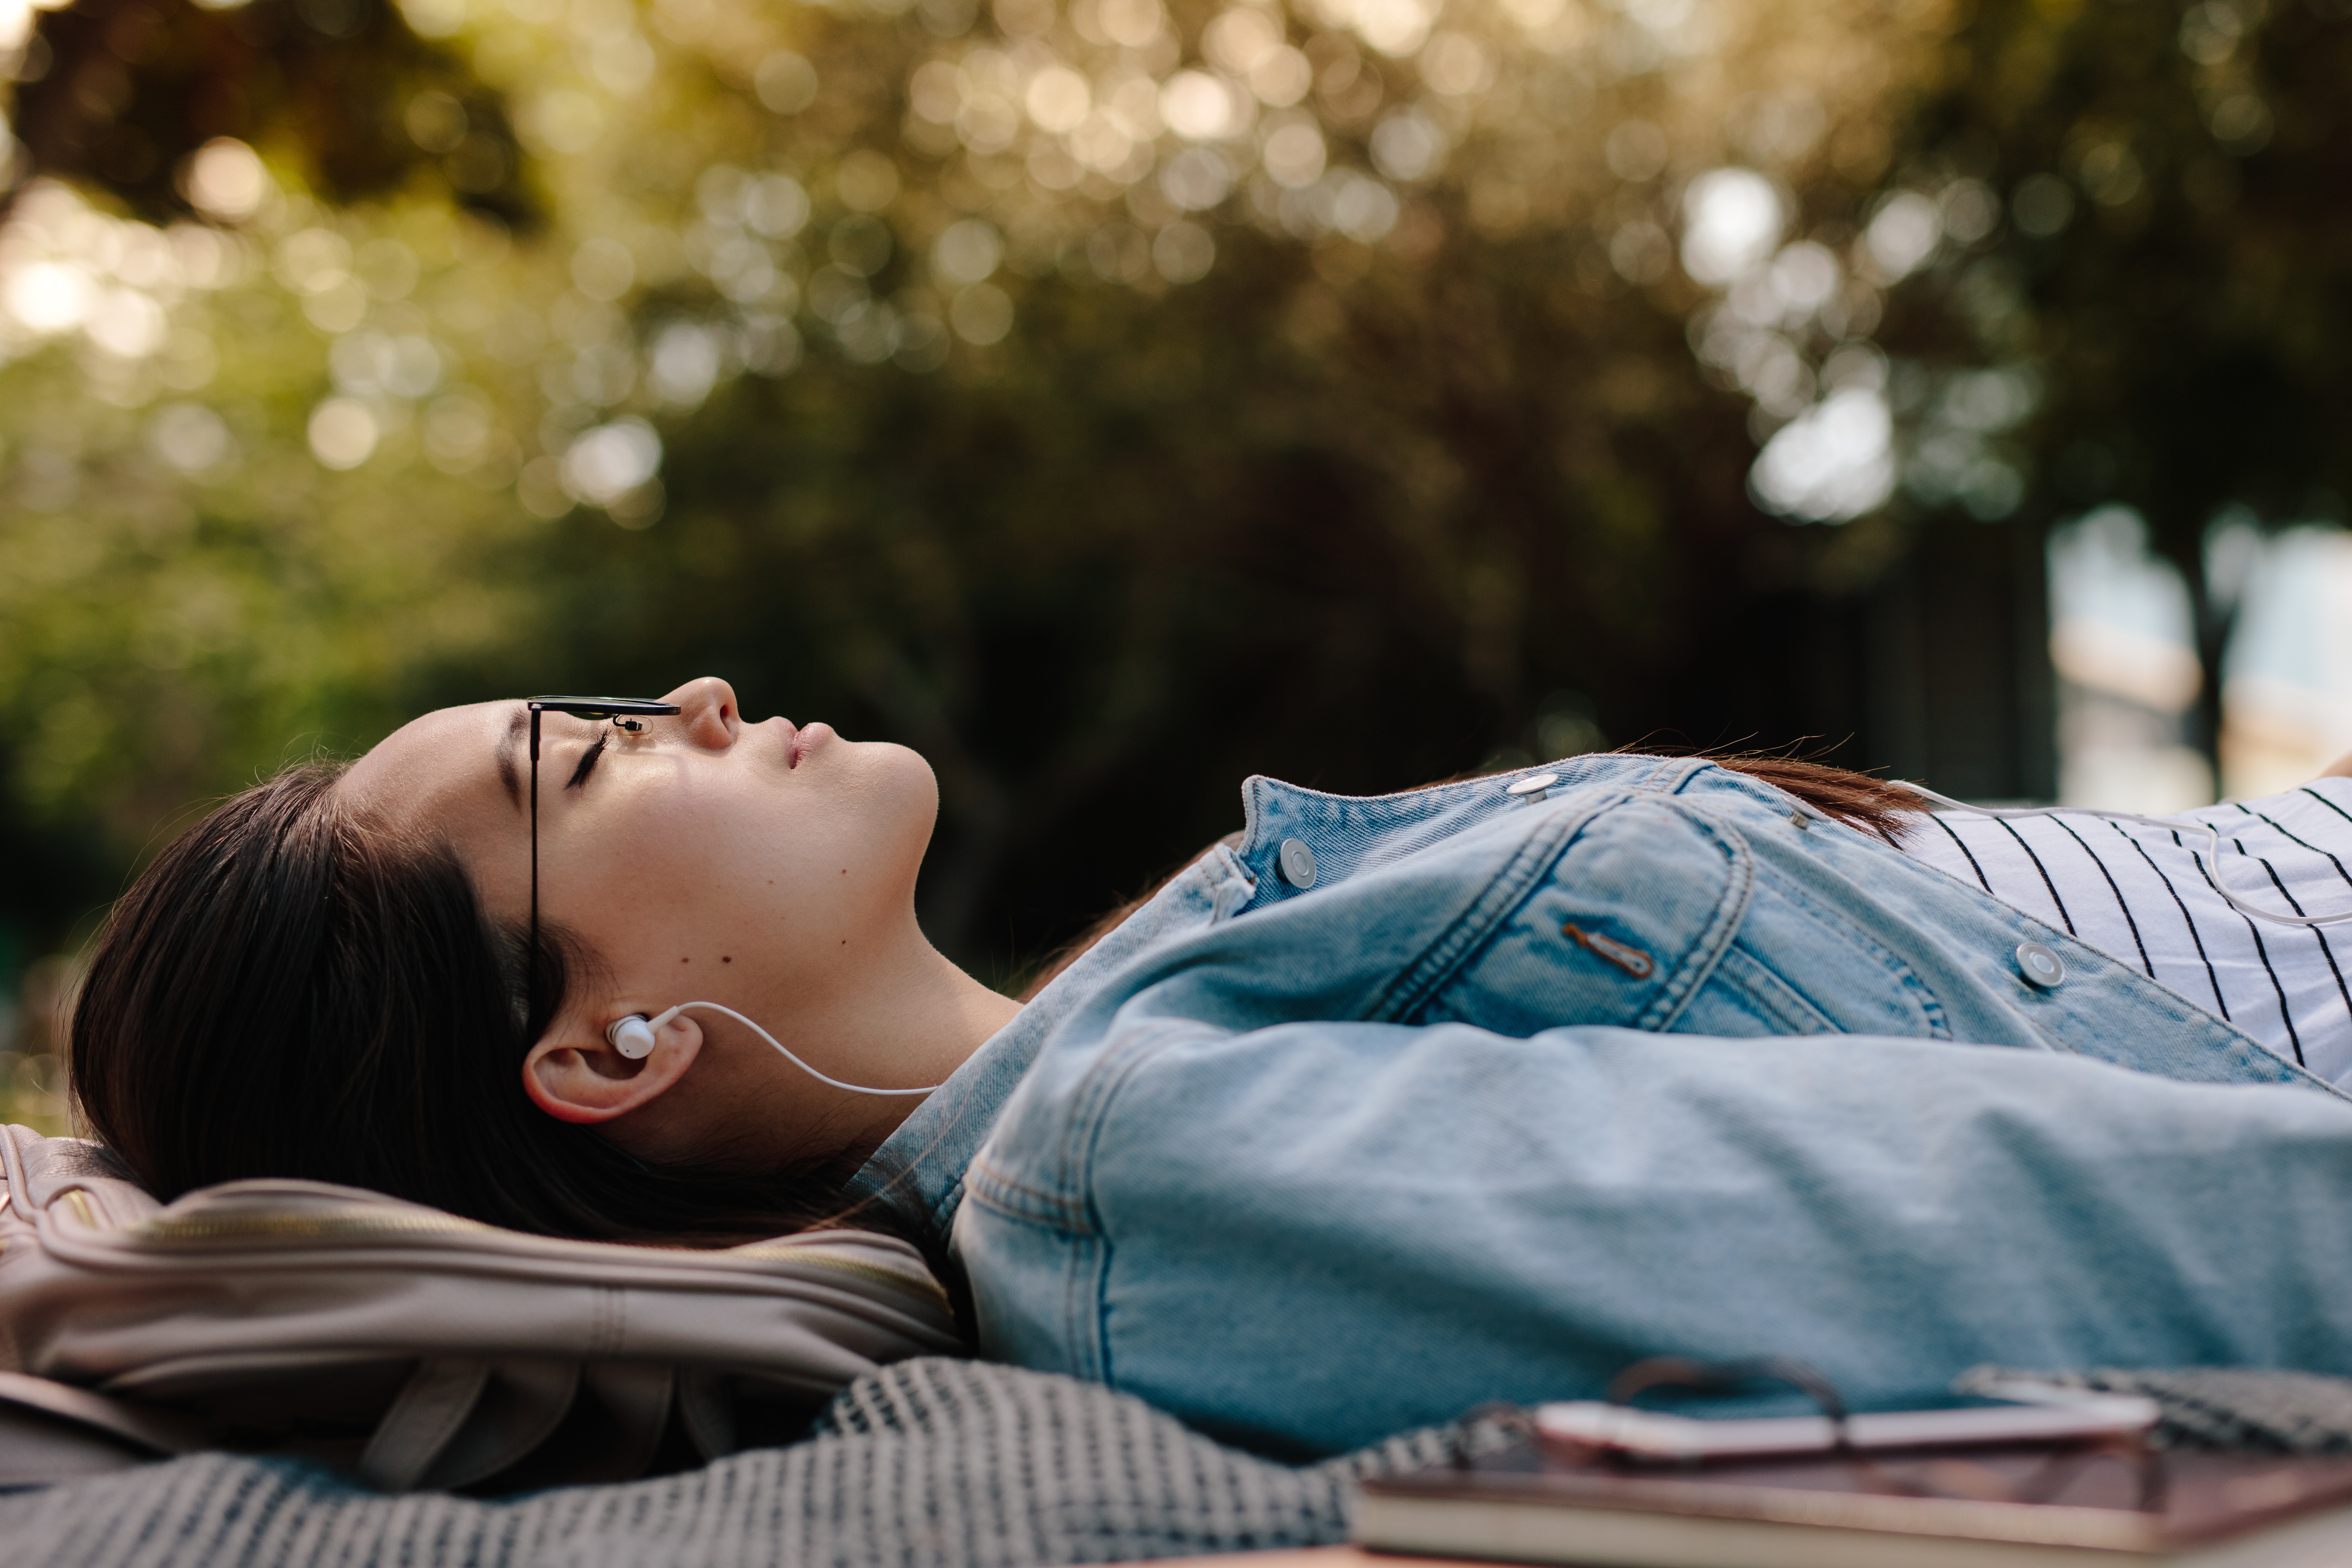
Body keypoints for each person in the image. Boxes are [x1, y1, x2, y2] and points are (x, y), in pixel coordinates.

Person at [65, 678, 2352, 1458]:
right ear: (606, 1045)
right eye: (574, 762)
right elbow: (2096, 1234)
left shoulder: (1155, 1018)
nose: (679, 700)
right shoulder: (1140, 1161)